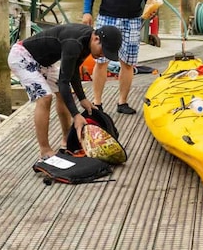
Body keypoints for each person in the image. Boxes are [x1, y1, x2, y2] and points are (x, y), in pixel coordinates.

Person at [8, 23, 122, 160]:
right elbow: (64, 81)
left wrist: (82, 99)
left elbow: (73, 72)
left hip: (44, 62)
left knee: (65, 94)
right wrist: (76, 115)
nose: (103, 55)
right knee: (45, 97)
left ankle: (67, 140)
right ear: (96, 39)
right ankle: (45, 150)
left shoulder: (87, 41)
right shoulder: (74, 43)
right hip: (22, 57)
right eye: (104, 50)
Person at [83, 0, 154, 115]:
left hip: (132, 20)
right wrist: (87, 12)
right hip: (107, 18)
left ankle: (122, 102)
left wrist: (152, 9)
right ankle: (97, 102)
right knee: (101, 61)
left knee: (128, 63)